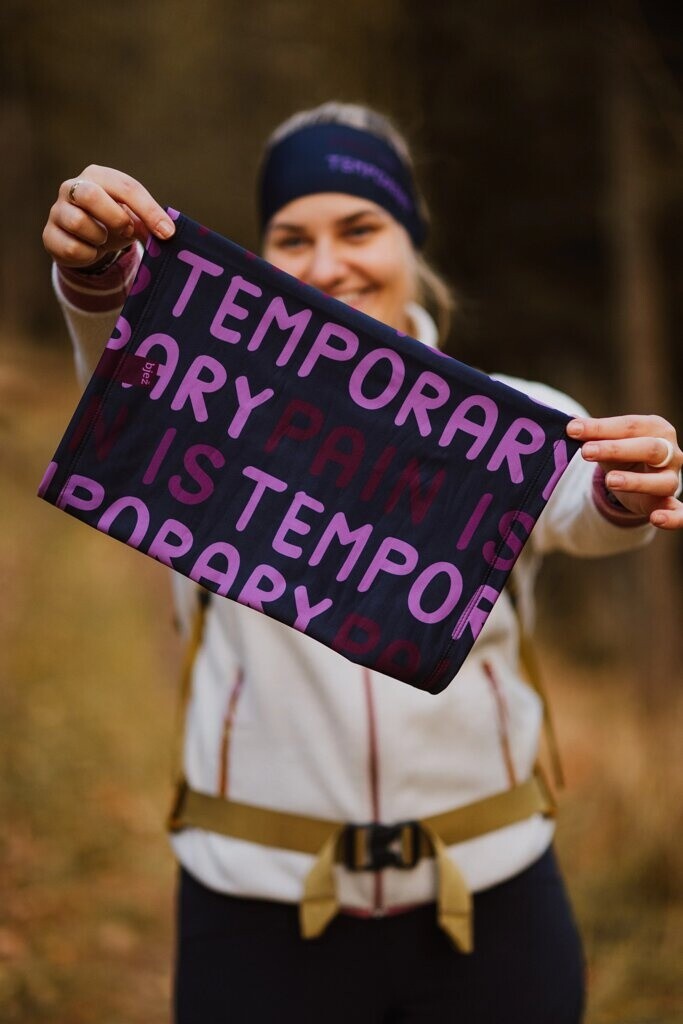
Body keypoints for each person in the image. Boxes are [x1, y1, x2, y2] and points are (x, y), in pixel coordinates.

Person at [42, 102, 682, 1024]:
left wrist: (625, 488)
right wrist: (96, 270)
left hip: (492, 898)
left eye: (359, 227)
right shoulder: (200, 398)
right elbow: (115, 350)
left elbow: (584, 510)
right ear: (258, 256)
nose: (327, 261)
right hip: (255, 906)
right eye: (291, 236)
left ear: (409, 244)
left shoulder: (510, 418)